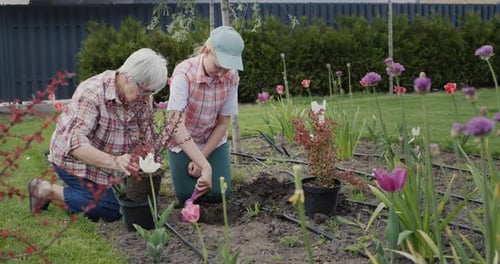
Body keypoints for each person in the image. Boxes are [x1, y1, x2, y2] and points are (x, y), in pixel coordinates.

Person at [28, 48, 169, 222]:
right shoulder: (92, 93)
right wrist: (115, 162)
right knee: (112, 208)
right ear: (127, 77)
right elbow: (75, 146)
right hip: (74, 162)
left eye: (150, 93)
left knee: (135, 202)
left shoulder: (142, 99)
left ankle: (85, 195)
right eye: (144, 91)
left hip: (111, 165)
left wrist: (149, 161)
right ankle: (44, 189)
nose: (146, 98)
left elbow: (146, 138)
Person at [167, 25, 244, 204]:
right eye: (218, 67)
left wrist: (203, 157)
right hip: (183, 141)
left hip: (212, 141)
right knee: (188, 196)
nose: (222, 74)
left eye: (226, 69)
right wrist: (204, 165)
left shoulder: (231, 76)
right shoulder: (184, 74)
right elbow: (176, 126)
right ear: (206, 51)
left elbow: (223, 124)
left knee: (219, 194)